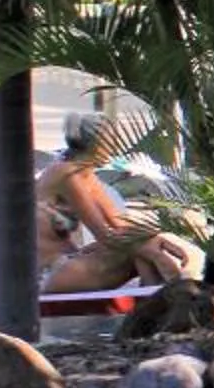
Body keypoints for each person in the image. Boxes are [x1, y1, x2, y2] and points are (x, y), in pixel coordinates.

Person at [35, 114, 201, 291]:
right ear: (94, 144)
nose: (115, 148)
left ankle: (150, 304)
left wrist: (156, 240)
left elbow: (121, 225)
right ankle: (156, 302)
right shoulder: (66, 173)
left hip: (70, 261)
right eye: (111, 141)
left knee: (142, 249)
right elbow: (105, 235)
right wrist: (155, 251)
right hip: (47, 273)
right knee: (140, 251)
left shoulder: (87, 176)